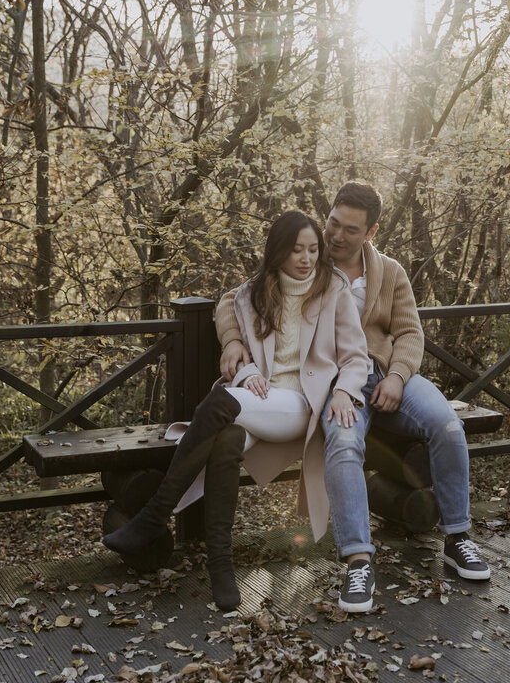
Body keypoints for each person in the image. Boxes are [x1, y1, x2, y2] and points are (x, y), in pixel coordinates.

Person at [216, 182, 490, 614]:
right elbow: (235, 299)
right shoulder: (305, 258)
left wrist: (398, 377)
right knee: (343, 444)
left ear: (371, 232)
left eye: (350, 229)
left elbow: (410, 333)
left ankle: (458, 538)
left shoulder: (390, 272)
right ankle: (358, 562)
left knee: (448, 425)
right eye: (333, 224)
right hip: (334, 384)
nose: (336, 236)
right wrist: (233, 340)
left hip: (387, 376)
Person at [103, 210, 369, 611]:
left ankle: (154, 515)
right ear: (277, 250)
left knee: (221, 403)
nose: (306, 258)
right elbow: (234, 328)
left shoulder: (334, 290)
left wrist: (345, 392)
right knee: (226, 440)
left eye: (313, 249)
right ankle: (221, 567)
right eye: (297, 249)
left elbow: (356, 358)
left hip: (302, 405)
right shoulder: (252, 294)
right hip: (260, 401)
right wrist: (243, 369)